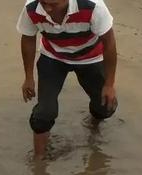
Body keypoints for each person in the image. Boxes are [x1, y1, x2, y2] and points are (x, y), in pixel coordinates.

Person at [16, 0, 118, 158]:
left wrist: (109, 84)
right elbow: (28, 38)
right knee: (44, 114)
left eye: (54, 4)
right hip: (53, 56)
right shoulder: (32, 7)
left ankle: (93, 125)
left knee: (106, 107)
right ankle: (38, 160)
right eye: (44, 3)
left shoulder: (93, 6)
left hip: (90, 57)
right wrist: (28, 77)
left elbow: (109, 43)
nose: (48, 9)